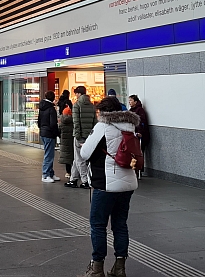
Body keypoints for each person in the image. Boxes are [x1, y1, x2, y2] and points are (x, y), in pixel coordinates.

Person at [79, 97, 141, 277]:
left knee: (98, 225)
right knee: (120, 224)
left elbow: (84, 153)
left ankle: (97, 268)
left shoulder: (103, 126)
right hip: (127, 183)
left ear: (104, 112)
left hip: (105, 184)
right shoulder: (130, 126)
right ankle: (119, 267)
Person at [67, 85, 95, 189]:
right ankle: (73, 179)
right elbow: (94, 122)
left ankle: (85, 181)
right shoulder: (92, 106)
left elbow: (76, 122)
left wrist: (77, 135)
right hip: (89, 136)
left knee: (80, 159)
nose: (76, 96)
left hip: (80, 135)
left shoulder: (77, 105)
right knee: (77, 158)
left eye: (76, 94)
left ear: (79, 94)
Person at [37, 91, 59, 183]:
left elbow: (39, 121)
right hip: (49, 133)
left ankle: (50, 173)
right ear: (53, 98)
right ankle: (45, 175)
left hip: (43, 132)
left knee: (49, 153)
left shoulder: (42, 107)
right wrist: (57, 133)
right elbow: (53, 123)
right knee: (49, 155)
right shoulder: (51, 109)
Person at [128, 95, 150, 173]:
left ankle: (139, 169)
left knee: (139, 152)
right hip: (133, 133)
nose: (129, 102)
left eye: (131, 100)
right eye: (129, 100)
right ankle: (135, 168)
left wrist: (140, 132)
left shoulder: (140, 110)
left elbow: (142, 122)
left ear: (135, 102)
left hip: (139, 135)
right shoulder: (131, 110)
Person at [59, 106, 74, 179]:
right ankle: (75, 172)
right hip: (72, 141)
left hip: (64, 142)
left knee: (67, 158)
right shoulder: (73, 121)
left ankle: (68, 172)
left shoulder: (61, 122)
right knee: (73, 157)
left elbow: (58, 131)